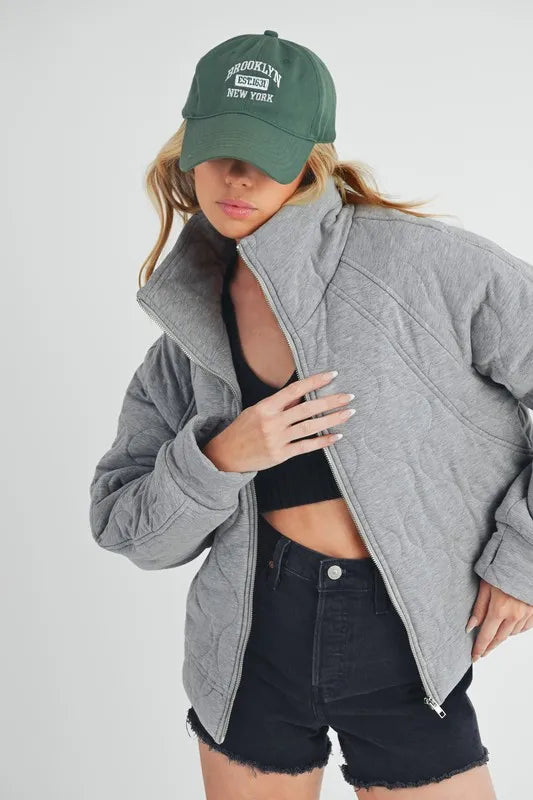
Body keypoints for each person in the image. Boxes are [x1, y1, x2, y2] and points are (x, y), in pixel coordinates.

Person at [89, 30, 533, 799]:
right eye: (220, 150)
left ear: (311, 158)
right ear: (187, 150)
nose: (238, 176)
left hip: (402, 639)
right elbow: (126, 529)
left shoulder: (424, 267)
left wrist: (522, 558)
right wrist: (220, 457)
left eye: (265, 153)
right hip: (250, 640)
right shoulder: (186, 329)